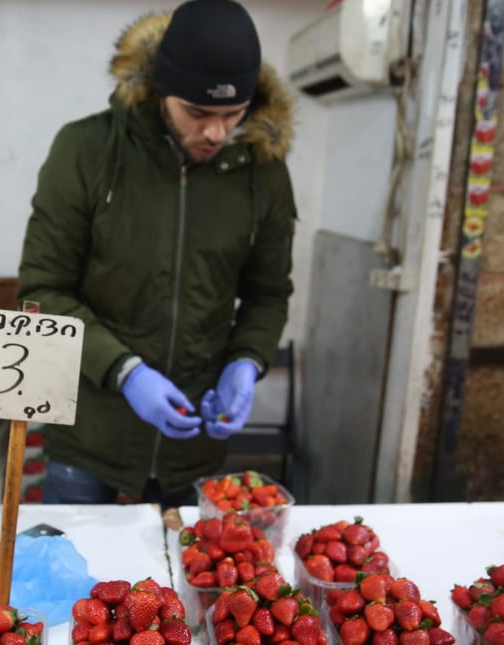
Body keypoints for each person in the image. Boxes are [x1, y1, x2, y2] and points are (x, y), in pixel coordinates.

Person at [17, 0, 296, 509]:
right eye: (197, 113)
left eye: (232, 115)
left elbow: (268, 294)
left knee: (182, 585)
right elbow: (42, 291)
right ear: (161, 90)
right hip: (88, 441)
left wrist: (246, 361)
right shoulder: (86, 151)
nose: (216, 132)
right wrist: (126, 372)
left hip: (194, 446)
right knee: (76, 582)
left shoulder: (262, 170)